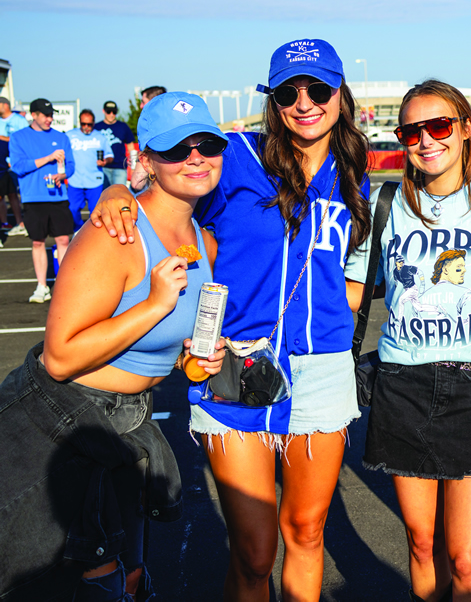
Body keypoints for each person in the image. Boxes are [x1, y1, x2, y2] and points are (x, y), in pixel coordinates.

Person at [91, 39, 372, 602]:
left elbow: (353, 279)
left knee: (307, 532)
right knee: (254, 549)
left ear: (340, 94)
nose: (304, 102)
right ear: (272, 99)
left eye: (318, 89)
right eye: (289, 91)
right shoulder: (238, 157)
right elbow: (165, 196)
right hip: (234, 366)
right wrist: (121, 190)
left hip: (322, 370)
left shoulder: (354, 175)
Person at [0, 91, 225, 601]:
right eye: (175, 149)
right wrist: (154, 305)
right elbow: (59, 356)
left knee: (130, 576)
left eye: (207, 144)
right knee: (83, 587)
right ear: (145, 158)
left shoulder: (202, 239)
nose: (194, 157)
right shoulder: (116, 233)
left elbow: (159, 354)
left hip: (127, 420)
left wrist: (193, 364)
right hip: (61, 424)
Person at [345, 80, 471, 602]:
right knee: (422, 543)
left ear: (466, 129)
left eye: (438, 126)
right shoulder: (387, 202)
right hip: (403, 383)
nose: (425, 140)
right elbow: (352, 291)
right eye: (411, 131)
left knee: (467, 558)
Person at [9, 98, 76, 303]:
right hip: (33, 197)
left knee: (63, 240)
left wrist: (61, 176)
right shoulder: (18, 138)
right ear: (34, 115)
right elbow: (18, 167)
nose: (50, 119)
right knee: (38, 242)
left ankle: (64, 285)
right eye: (46, 115)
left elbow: (71, 167)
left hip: (57, 197)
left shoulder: (61, 138)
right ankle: (42, 286)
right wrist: (48, 158)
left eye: (51, 115)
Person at [66, 109, 114, 229]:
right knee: (72, 209)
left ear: (93, 123)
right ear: (79, 122)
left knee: (96, 211)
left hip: (95, 180)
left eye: (89, 124)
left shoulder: (100, 137)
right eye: (83, 124)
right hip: (75, 180)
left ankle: (92, 236)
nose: (86, 127)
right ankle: (78, 229)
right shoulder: (69, 135)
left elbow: (110, 155)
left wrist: (105, 161)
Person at [0, 95, 29, 235]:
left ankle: (26, 222)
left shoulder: (19, 121)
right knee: (8, 195)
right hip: (2, 166)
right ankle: (9, 223)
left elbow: (26, 139)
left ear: (5, 105)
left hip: (17, 164)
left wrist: (3, 139)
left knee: (22, 193)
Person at [130, 87, 168, 191]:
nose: (141, 106)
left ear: (153, 101)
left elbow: (137, 182)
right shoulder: (173, 122)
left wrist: (140, 160)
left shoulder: (151, 128)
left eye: (143, 102)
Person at [94, 100, 136, 187]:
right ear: (103, 111)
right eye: (108, 112)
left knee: (119, 194)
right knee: (104, 196)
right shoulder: (97, 127)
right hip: (102, 168)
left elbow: (131, 147)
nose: (111, 114)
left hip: (119, 167)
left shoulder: (123, 126)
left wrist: (133, 167)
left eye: (114, 112)